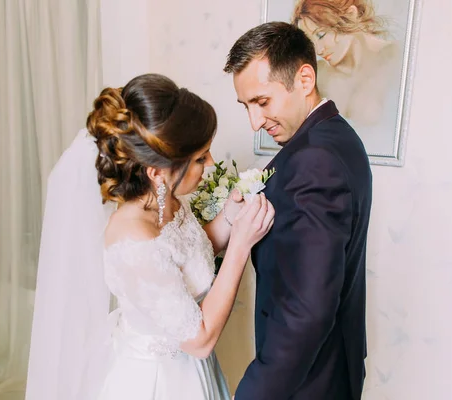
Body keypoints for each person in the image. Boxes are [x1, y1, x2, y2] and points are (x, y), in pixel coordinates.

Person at [25, 73, 274, 400]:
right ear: (157, 173)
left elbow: (189, 257)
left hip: (193, 371)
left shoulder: (162, 200)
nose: (211, 164)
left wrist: (229, 217)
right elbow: (199, 341)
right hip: (161, 382)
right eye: (200, 158)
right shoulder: (134, 241)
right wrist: (241, 245)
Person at [223, 22, 372, 399]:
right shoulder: (336, 135)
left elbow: (306, 311)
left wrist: (255, 393)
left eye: (262, 102)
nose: (255, 122)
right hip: (326, 370)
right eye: (247, 106)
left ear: (305, 79)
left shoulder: (314, 159)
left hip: (307, 382)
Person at [292, 0, 402, 154]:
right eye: (311, 42)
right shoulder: (320, 76)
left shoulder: (394, 58)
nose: (318, 50)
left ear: (351, 15)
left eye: (321, 35)